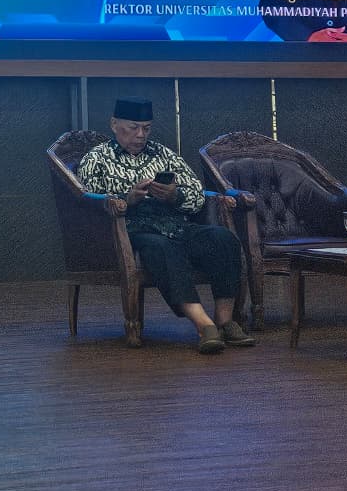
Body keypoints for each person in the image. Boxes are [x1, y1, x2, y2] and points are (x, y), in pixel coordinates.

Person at [76, 97, 254, 354]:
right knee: (161, 248)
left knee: (223, 239)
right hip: (132, 231)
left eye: (146, 128)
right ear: (114, 124)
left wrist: (174, 196)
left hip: (176, 225)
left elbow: (196, 194)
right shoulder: (97, 158)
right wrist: (128, 198)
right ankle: (204, 326)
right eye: (133, 127)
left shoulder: (163, 154)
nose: (140, 135)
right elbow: (91, 203)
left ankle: (225, 321)